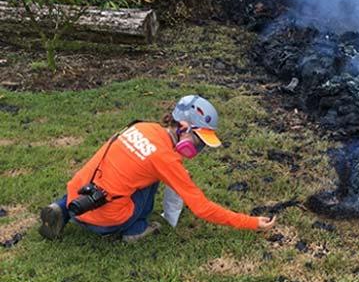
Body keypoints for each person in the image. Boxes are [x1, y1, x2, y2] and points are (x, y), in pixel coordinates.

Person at [39, 95, 276, 243]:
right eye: (200, 140)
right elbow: (202, 209)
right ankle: (136, 229)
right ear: (184, 127)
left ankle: (59, 209)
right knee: (150, 181)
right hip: (104, 222)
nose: (200, 147)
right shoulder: (166, 160)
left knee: (112, 170)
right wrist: (251, 222)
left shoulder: (141, 126)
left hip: (76, 199)